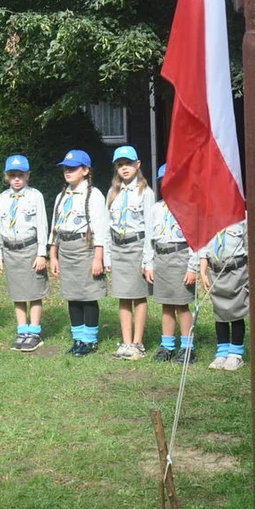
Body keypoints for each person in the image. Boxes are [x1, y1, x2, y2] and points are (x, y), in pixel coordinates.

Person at [49, 149, 109, 356]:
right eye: (66, 168)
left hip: (85, 247)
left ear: (85, 170)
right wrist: (53, 254)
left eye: (73, 168)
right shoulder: (61, 196)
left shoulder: (94, 195)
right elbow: (55, 226)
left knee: (88, 295)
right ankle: (78, 338)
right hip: (66, 248)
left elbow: (100, 228)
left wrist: (98, 258)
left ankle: (90, 340)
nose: (68, 171)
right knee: (72, 295)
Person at [0, 154, 49, 352]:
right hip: (10, 250)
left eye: (21, 175)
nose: (17, 179)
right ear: (6, 176)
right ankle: (22, 330)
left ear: (28, 175)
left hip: (30, 249)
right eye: (12, 175)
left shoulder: (35, 196)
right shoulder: (2, 198)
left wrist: (42, 253)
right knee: (17, 293)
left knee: (33, 292)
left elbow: (42, 225)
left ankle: (34, 332)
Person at [144, 164, 198, 364]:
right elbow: (149, 238)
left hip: (181, 257)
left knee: (181, 305)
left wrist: (192, 267)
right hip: (161, 259)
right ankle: (167, 345)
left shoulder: (189, 207)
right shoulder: (156, 208)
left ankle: (188, 347)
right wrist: (148, 263)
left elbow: (195, 240)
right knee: (166, 304)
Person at [106, 146, 154, 360]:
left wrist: (148, 260)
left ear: (138, 164)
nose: (124, 168)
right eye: (120, 164)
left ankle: (138, 342)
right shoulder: (113, 192)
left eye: (128, 163)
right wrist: (107, 254)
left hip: (137, 247)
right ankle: (125, 342)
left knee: (138, 295)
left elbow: (151, 228)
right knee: (123, 296)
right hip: (118, 248)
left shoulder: (146, 192)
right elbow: (108, 225)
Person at [200, 218, 249, 371]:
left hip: (237, 271)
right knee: (220, 312)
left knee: (236, 311)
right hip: (216, 272)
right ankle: (222, 352)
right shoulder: (209, 217)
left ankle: (235, 354)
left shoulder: (243, 218)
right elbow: (203, 248)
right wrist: (202, 272)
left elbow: (249, 247)